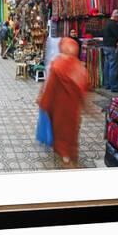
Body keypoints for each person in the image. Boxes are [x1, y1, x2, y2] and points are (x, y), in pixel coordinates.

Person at [39, 38, 89, 168]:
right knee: (72, 132)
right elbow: (84, 89)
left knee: (61, 131)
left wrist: (43, 102)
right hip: (74, 110)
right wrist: (85, 106)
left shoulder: (57, 65)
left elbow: (50, 88)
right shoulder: (80, 67)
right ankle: (72, 155)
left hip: (59, 109)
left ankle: (66, 159)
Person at [102, 9, 118, 92]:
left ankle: (107, 84)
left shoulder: (107, 22)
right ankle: (114, 86)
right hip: (112, 47)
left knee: (107, 66)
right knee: (113, 67)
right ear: (117, 16)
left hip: (106, 46)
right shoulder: (114, 24)